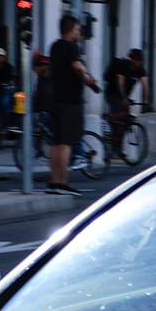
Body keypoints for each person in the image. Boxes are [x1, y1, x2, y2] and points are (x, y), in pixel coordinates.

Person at [44, 14, 96, 192]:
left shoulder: (55, 46)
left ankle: (53, 180)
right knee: (66, 142)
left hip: (56, 99)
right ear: (72, 29)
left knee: (56, 142)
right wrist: (87, 79)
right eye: (76, 29)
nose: (78, 32)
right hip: (70, 100)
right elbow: (77, 66)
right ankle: (62, 181)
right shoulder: (72, 47)